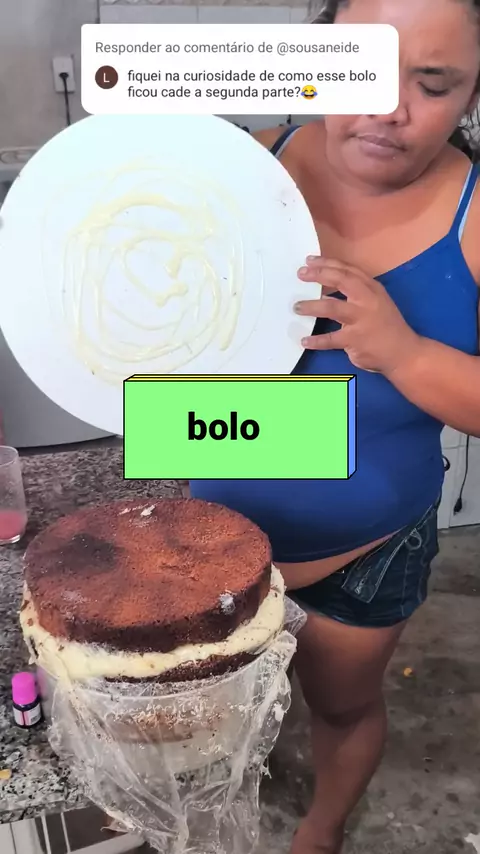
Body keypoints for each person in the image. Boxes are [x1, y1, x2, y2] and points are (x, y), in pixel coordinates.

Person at [189, 0, 480, 851]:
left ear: (472, 91)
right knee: (208, 706)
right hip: (216, 536)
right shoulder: (243, 170)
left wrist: (404, 352)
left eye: (433, 84)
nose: (389, 109)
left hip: (365, 553)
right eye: (361, 70)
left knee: (341, 706)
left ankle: (322, 828)